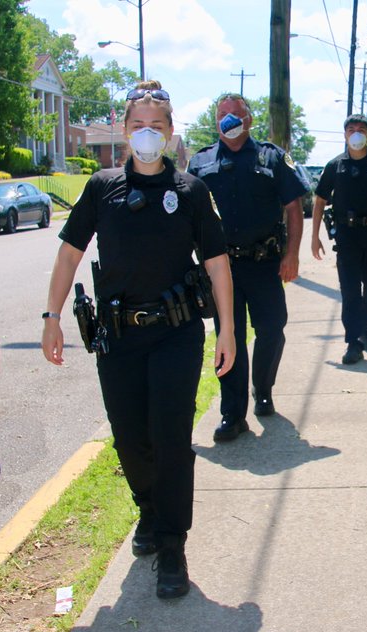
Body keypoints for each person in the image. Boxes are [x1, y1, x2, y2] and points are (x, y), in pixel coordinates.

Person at [41, 83, 236, 599]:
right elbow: (69, 254)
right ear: (125, 131)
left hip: (176, 334)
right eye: (138, 126)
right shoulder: (101, 187)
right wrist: (51, 316)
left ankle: (172, 544)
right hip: (118, 336)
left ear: (170, 133)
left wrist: (227, 329)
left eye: (156, 126)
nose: (147, 134)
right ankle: (148, 509)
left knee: (170, 439)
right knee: (130, 438)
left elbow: (217, 263)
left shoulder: (191, 191)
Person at [187, 93, 310, 441]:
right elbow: (186, 214)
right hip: (220, 268)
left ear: (249, 120)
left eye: (235, 114)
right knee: (231, 336)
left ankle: (263, 388)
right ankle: (232, 414)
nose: (228, 120)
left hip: (264, 263)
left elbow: (293, 206)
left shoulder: (272, 157)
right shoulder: (200, 162)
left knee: (272, 328)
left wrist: (292, 254)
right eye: (221, 115)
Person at [310, 113, 367, 365]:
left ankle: (366, 331)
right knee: (350, 289)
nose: (356, 134)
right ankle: (353, 342)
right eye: (351, 129)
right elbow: (319, 200)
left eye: (361, 129)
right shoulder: (335, 166)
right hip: (347, 236)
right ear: (345, 135)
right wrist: (315, 237)